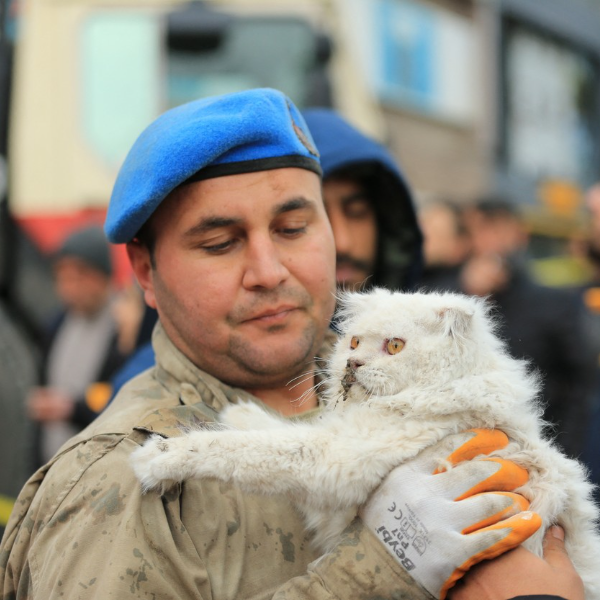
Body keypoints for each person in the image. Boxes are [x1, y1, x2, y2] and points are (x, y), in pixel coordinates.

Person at [0, 89, 583, 599]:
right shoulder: (125, 485)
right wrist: (379, 571)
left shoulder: (401, 380)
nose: (268, 270)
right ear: (147, 274)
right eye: (220, 243)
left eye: (292, 228)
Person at [459, 197, 597, 460]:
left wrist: (560, 456)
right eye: (479, 231)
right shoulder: (451, 294)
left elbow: (578, 387)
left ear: (519, 235)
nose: (489, 242)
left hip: (532, 453)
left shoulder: (552, 302)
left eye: (497, 230)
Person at [25, 224, 128, 467]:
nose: (70, 286)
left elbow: (119, 393)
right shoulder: (56, 324)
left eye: (80, 275)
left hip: (99, 466)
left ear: (104, 276)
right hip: (52, 462)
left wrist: (74, 408)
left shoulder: (124, 328)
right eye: (62, 276)